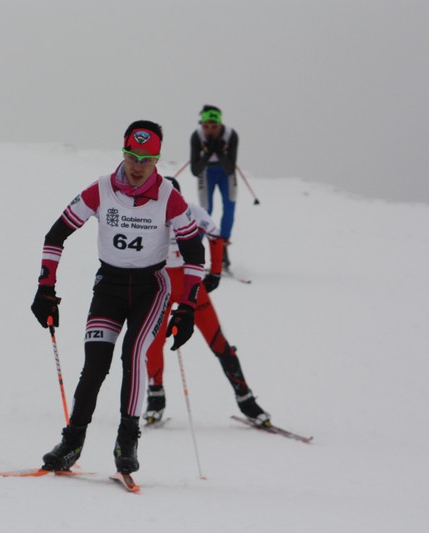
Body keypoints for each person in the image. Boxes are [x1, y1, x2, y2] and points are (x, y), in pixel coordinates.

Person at [31, 120, 206, 475]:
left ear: (157, 160)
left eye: (146, 158)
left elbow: (195, 254)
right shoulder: (101, 189)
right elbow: (55, 235)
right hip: (109, 285)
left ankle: (127, 437)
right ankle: (72, 441)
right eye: (131, 155)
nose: (137, 166)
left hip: (151, 288)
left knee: (133, 354)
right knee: (95, 364)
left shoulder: (169, 198)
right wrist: (45, 287)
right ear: (123, 153)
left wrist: (187, 307)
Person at [145, 176, 270, 427]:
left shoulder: (193, 210)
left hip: (191, 286)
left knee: (218, 342)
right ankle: (156, 400)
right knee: (154, 344)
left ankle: (247, 401)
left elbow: (216, 236)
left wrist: (214, 272)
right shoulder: (147, 213)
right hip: (161, 286)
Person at [190, 105, 239, 272]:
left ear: (220, 124)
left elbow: (230, 169)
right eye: (206, 126)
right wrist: (207, 153)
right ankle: (196, 252)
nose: (209, 130)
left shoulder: (231, 135)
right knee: (205, 211)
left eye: (214, 126)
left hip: (225, 173)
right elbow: (195, 170)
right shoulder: (197, 136)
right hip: (206, 172)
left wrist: (220, 152)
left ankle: (223, 249)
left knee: (229, 207)